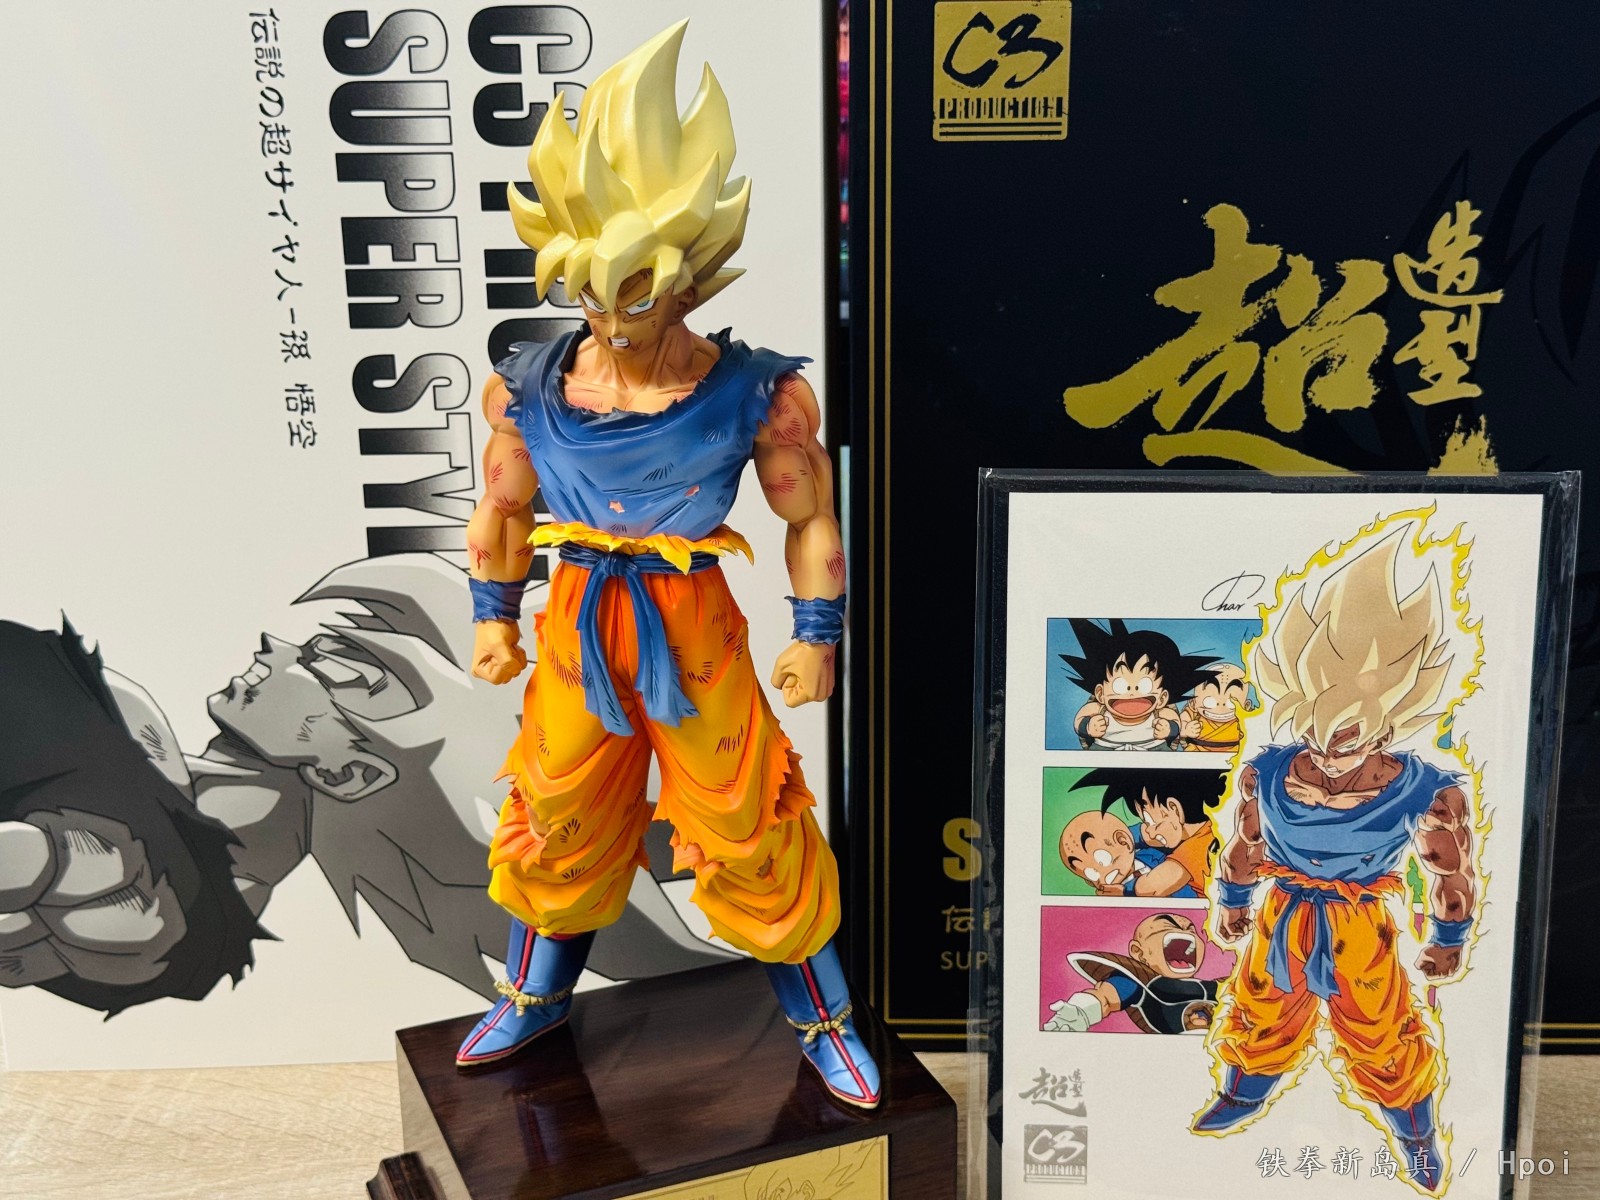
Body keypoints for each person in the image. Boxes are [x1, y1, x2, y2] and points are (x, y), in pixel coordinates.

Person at [452, 23, 878, 1109]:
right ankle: (536, 994)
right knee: (555, 807)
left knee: (749, 815)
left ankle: (823, 1017)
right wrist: (493, 613)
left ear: (689, 278)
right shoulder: (529, 387)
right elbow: (502, 507)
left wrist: (816, 636)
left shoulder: (760, 393)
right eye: (587, 294)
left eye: (635, 294)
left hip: (693, 632)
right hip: (575, 627)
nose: (608, 320)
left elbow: (810, 520)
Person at [0, 558, 728, 1015]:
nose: (277, 648)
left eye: (342, 670)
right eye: (320, 646)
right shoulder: (118, 728)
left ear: (351, 771)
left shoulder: (172, 894)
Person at [1193, 524, 1475, 1194]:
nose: (1325, 753)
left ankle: (1416, 1136)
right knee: (1262, 1007)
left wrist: (1450, 938)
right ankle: (1243, 1093)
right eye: (1314, 731)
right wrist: (1233, 899)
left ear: (1389, 716)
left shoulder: (1427, 791)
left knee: (1382, 1031)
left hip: (1361, 926)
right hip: (1282, 914)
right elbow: (1247, 843)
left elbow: (1449, 872)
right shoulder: (1269, 770)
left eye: (1345, 736)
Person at [1044, 912, 1219, 1034]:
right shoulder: (1139, 983)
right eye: (1169, 925)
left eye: (1191, 930)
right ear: (1139, 952)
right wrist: (1078, 1014)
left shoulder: (1218, 987)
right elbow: (1107, 996)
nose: (1184, 928)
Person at [1061, 619, 1219, 750]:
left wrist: (1169, 729)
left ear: (1162, 698)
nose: (1132, 691)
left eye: (1144, 685)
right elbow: (1079, 719)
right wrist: (1087, 726)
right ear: (1100, 694)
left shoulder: (1161, 712)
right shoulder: (1097, 708)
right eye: (1120, 685)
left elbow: (1174, 721)